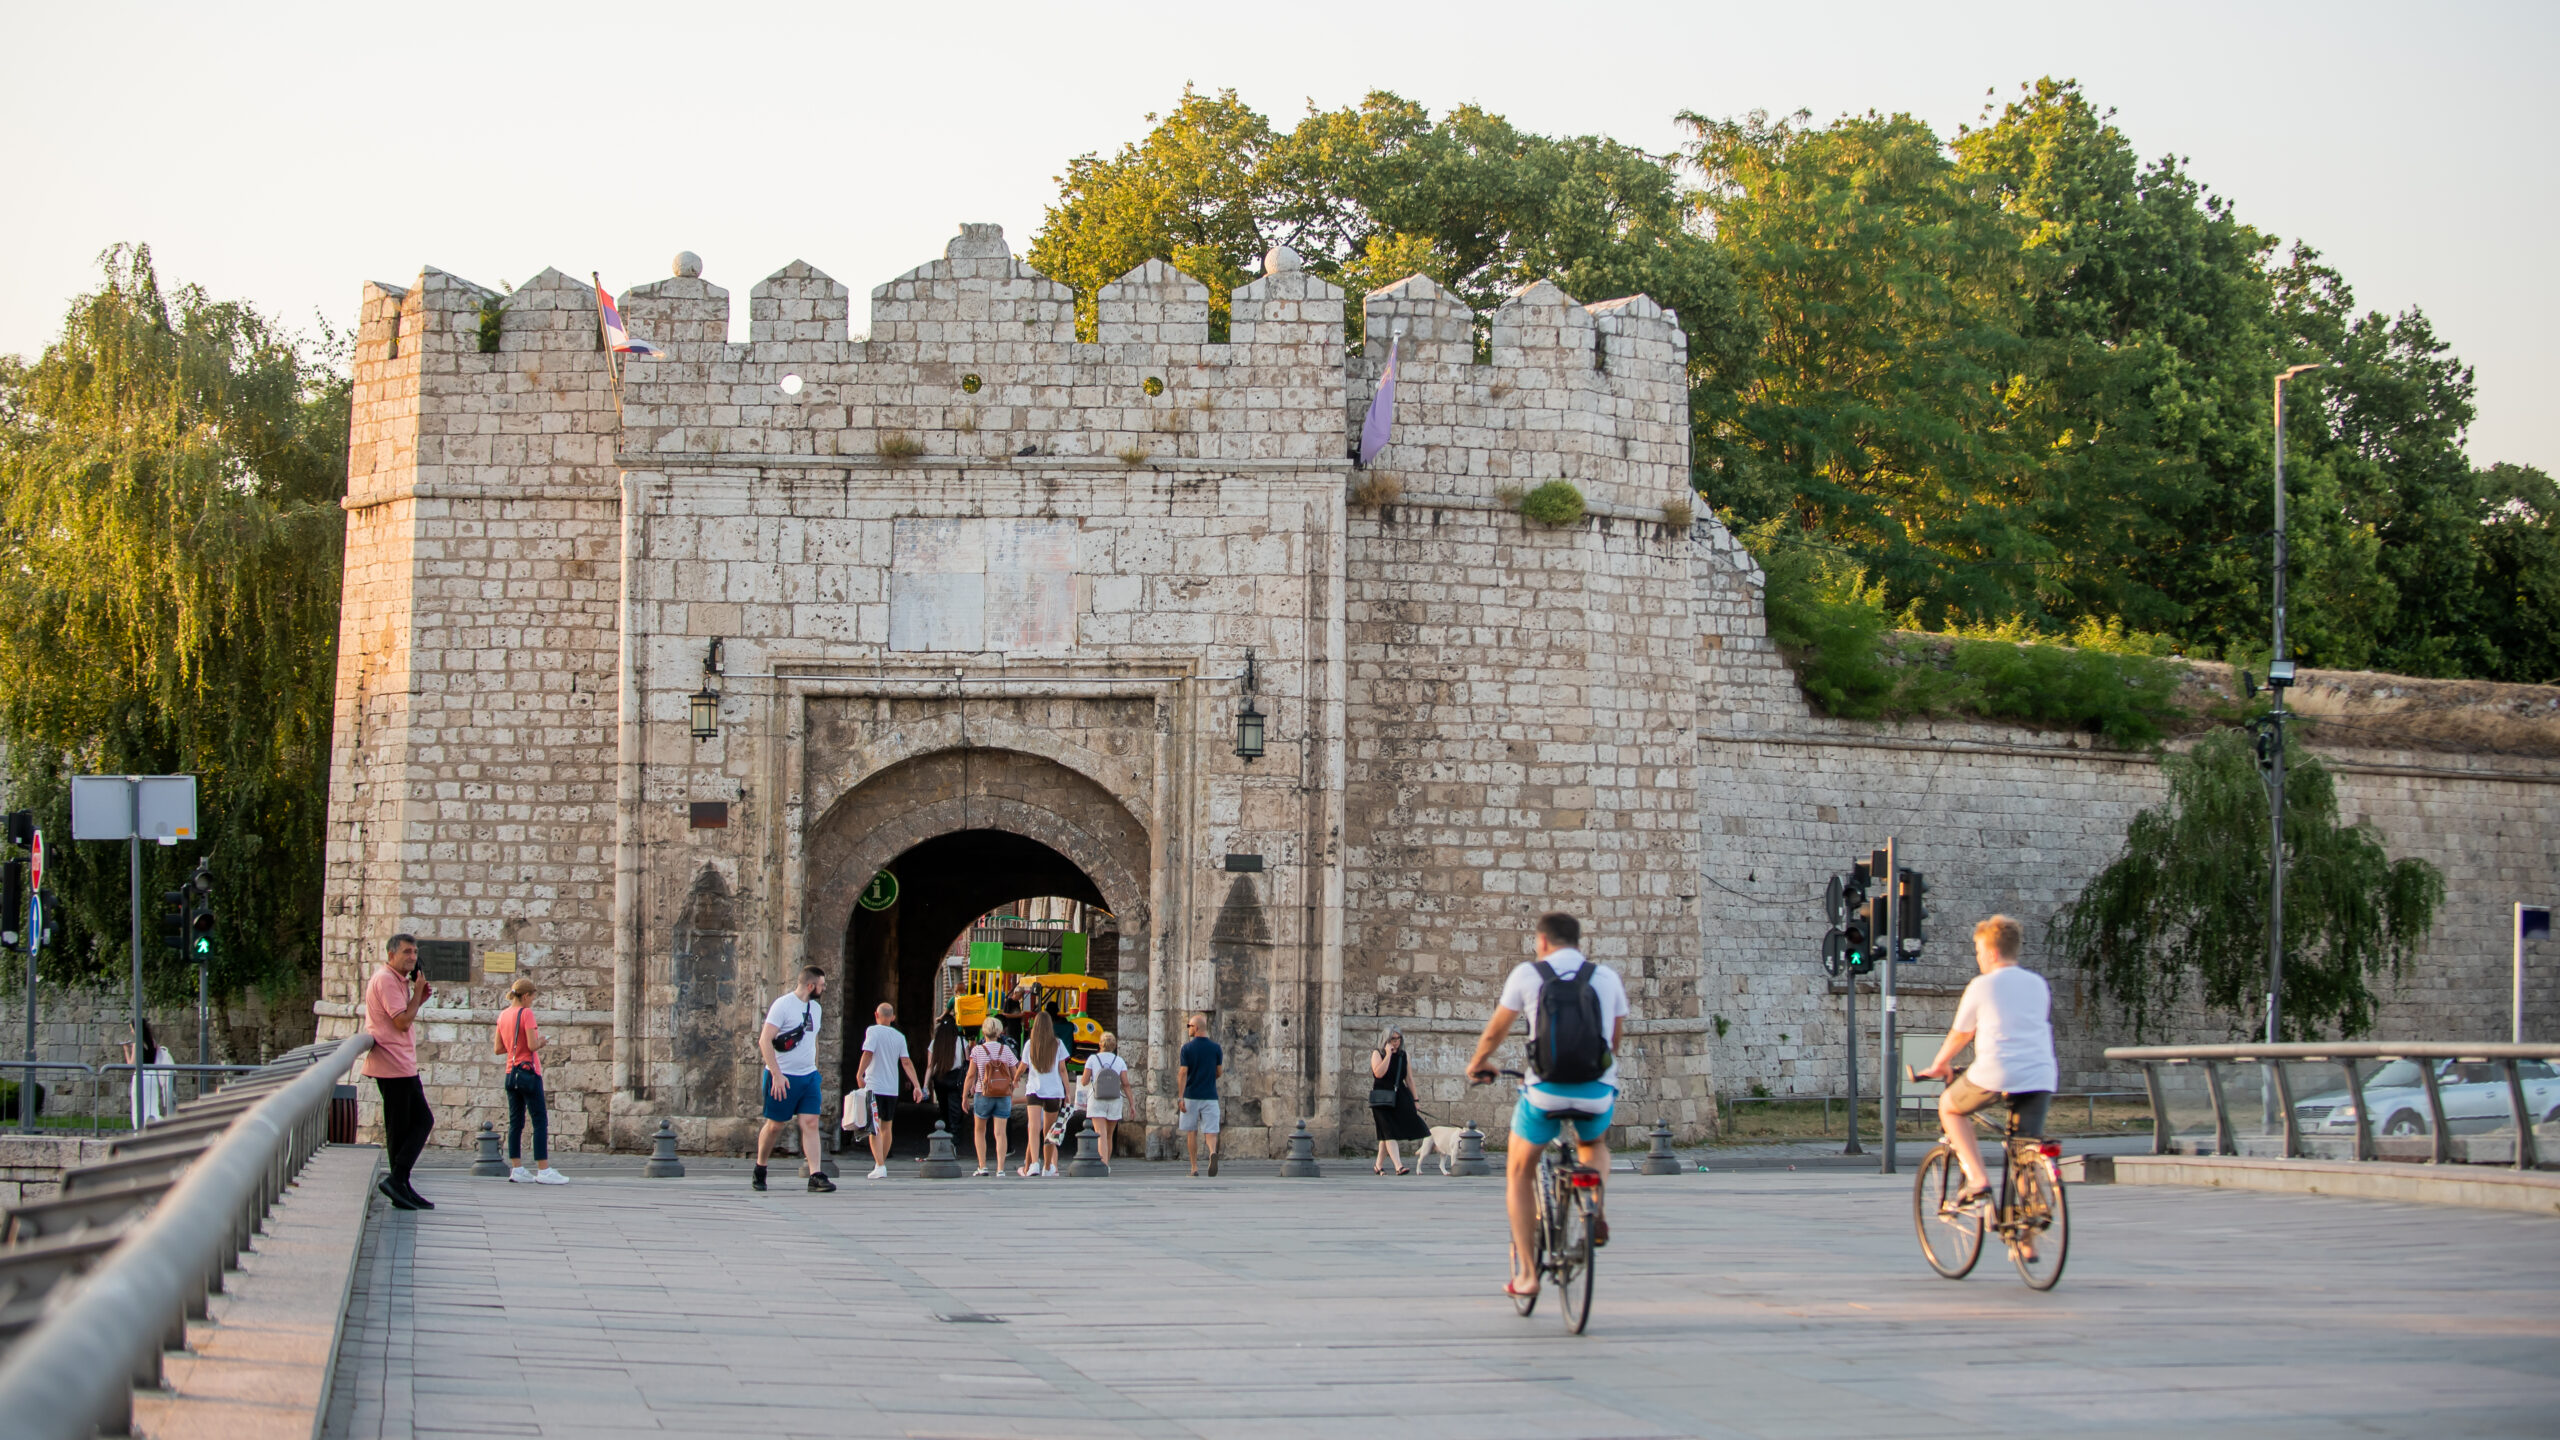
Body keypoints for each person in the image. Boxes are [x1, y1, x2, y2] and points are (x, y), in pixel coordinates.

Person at [1465, 912, 1627, 1301]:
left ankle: (1526, 1275)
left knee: (1520, 1171)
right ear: (1579, 941)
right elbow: (1614, 1041)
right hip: (1595, 1092)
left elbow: (1495, 1031)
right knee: (1595, 1146)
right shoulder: (1606, 978)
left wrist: (1478, 1063)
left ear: (1542, 941)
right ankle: (1594, 1205)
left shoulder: (1528, 975)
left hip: (1544, 1093)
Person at [1914, 915, 2058, 1211]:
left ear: (1991, 953)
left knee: (1949, 1107)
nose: (1978, 958)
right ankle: (2027, 1233)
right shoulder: (2038, 984)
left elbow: (1962, 1033)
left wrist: (1940, 1063)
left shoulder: (1983, 985)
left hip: (1996, 1073)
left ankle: (1978, 1179)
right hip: (2041, 1075)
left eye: (1978, 951)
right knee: (2024, 1147)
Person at [364, 933, 438, 1211]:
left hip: (399, 1063)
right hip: (393, 1064)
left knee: (402, 1128)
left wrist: (417, 998)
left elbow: (404, 1017)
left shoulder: (398, 981)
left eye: (415, 952)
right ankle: (397, 1179)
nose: (412, 957)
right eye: (407, 952)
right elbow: (402, 1023)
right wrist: (416, 995)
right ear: (391, 954)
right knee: (421, 1121)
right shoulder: (385, 979)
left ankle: (401, 1185)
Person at [755, 965, 835, 1193]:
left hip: (808, 1076)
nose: (824, 988)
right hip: (783, 1077)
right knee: (775, 1126)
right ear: (811, 986)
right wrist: (777, 1075)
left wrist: (815, 1069)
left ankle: (815, 1175)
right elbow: (765, 1040)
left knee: (810, 1123)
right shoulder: (783, 1005)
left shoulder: (816, 1009)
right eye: (822, 985)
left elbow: (813, 1040)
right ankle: (760, 1167)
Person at [493, 978, 566, 1185]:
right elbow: (533, 1045)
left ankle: (517, 1168)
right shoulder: (526, 1014)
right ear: (525, 996)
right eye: (532, 997)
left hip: (511, 1073)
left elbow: (498, 1048)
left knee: (515, 1122)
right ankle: (543, 1169)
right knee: (539, 1120)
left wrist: (515, 1046)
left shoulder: (503, 1015)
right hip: (528, 1072)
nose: (533, 1001)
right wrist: (542, 1041)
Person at [856, 1002, 926, 1179]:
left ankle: (879, 1165)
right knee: (887, 1127)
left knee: (874, 1128)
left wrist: (859, 1074)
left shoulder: (872, 1031)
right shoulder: (899, 1037)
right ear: (893, 1017)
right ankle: (881, 1163)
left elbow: (868, 1053)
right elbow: (906, 1062)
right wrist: (917, 1086)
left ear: (876, 1015)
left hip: (874, 1086)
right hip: (891, 1089)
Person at [963, 1018, 1020, 1177]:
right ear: (1001, 1032)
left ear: (983, 1032)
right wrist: (1011, 1088)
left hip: (983, 1093)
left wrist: (964, 1096)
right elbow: (1015, 1075)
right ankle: (1000, 1169)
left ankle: (982, 1166)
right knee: (1000, 1133)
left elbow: (970, 1075)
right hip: (1003, 1095)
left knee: (979, 1130)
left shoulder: (977, 1050)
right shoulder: (1007, 1050)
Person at [1368, 1026, 1429, 1174]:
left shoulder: (1403, 1055)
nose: (1395, 1042)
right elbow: (1379, 1073)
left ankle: (1378, 1165)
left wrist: (1415, 1100)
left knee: (1387, 1133)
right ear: (1386, 1040)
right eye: (1392, 1039)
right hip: (1381, 1097)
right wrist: (1388, 1055)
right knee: (1389, 1132)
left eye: (1398, 1039)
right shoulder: (1378, 1054)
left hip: (1399, 1096)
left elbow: (1409, 1079)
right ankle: (1398, 1166)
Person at [1018, 1006, 1068, 1177]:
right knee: (1050, 1131)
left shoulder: (1030, 1044)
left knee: (1033, 1127)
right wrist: (1067, 1092)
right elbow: (1062, 1069)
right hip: (1054, 1091)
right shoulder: (1058, 1044)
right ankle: (1048, 1166)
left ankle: (1034, 1164)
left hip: (1034, 1090)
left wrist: (1015, 1079)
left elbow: (1023, 1066)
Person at [1177, 1013, 1223, 1177]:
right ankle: (1212, 1152)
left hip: (1191, 1095)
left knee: (1192, 1131)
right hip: (1210, 1095)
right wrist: (1210, 1078)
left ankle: (1194, 1167)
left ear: (1196, 1028)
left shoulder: (1187, 1048)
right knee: (1211, 1131)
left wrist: (1180, 1097)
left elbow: (1183, 1072)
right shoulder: (1216, 1048)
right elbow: (1219, 1071)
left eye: (1189, 1026)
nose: (1188, 1028)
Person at [1081, 1031, 1130, 1160]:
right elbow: (1126, 1084)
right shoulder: (1119, 1061)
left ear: (1100, 1044)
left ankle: (1103, 1165)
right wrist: (1132, 1103)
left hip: (1097, 1099)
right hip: (1114, 1100)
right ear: (1114, 1046)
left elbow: (1084, 1081)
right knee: (1109, 1135)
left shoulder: (1092, 1059)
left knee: (1100, 1133)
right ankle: (1106, 1162)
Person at [123, 1018, 175, 1129]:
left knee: (139, 1107)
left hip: (141, 1077)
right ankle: (155, 1128)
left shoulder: (137, 1044)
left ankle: (139, 1130)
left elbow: (131, 1064)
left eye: (132, 1029)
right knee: (152, 1106)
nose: (132, 1032)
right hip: (152, 1077)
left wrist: (126, 1051)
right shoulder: (153, 1042)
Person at [927, 1013, 967, 1140]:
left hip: (939, 1078)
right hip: (956, 1077)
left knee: (943, 1105)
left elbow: (930, 1065)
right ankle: (955, 1133)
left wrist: (924, 1085)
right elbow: (967, 1061)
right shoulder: (961, 1041)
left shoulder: (934, 1043)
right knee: (955, 1106)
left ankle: (946, 1129)